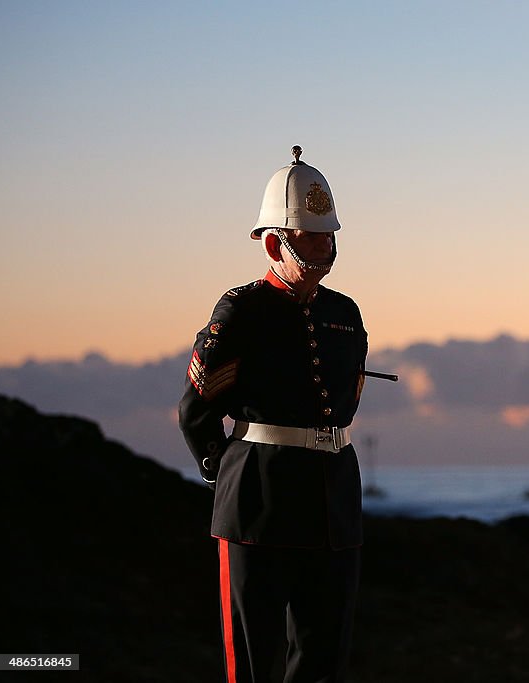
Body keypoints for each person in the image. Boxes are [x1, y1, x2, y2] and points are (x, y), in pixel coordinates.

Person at [178, 146, 367, 683]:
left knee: (324, 657)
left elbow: (346, 400)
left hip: (334, 504)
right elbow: (196, 408)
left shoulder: (343, 313)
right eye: (311, 236)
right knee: (257, 657)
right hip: (258, 503)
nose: (325, 247)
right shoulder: (242, 311)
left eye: (329, 235)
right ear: (273, 242)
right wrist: (227, 472)